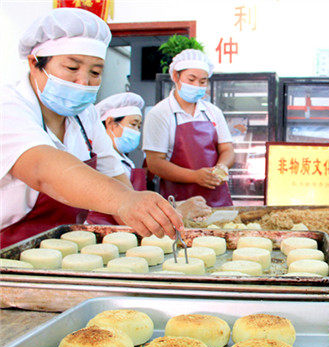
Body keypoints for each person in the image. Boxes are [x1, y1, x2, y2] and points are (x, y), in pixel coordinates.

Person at [0, 8, 182, 248]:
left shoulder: (84, 116)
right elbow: (41, 168)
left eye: (95, 72)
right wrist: (123, 200)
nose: (83, 82)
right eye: (72, 68)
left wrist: (151, 214)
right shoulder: (8, 107)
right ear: (35, 63)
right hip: (8, 248)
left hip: (64, 248)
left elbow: (114, 176)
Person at [87, 92, 212, 225]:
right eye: (133, 124)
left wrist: (176, 204)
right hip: (108, 230)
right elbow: (129, 212)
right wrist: (177, 210)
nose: (136, 131)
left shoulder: (125, 161)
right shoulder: (104, 161)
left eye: (139, 126)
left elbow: (137, 201)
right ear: (111, 123)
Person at [143, 49, 235, 207]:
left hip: (217, 200)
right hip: (180, 203)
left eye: (202, 82)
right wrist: (195, 176)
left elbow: (227, 149)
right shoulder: (160, 113)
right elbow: (155, 162)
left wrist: (221, 167)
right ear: (175, 77)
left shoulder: (213, 112)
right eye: (191, 79)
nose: (197, 86)